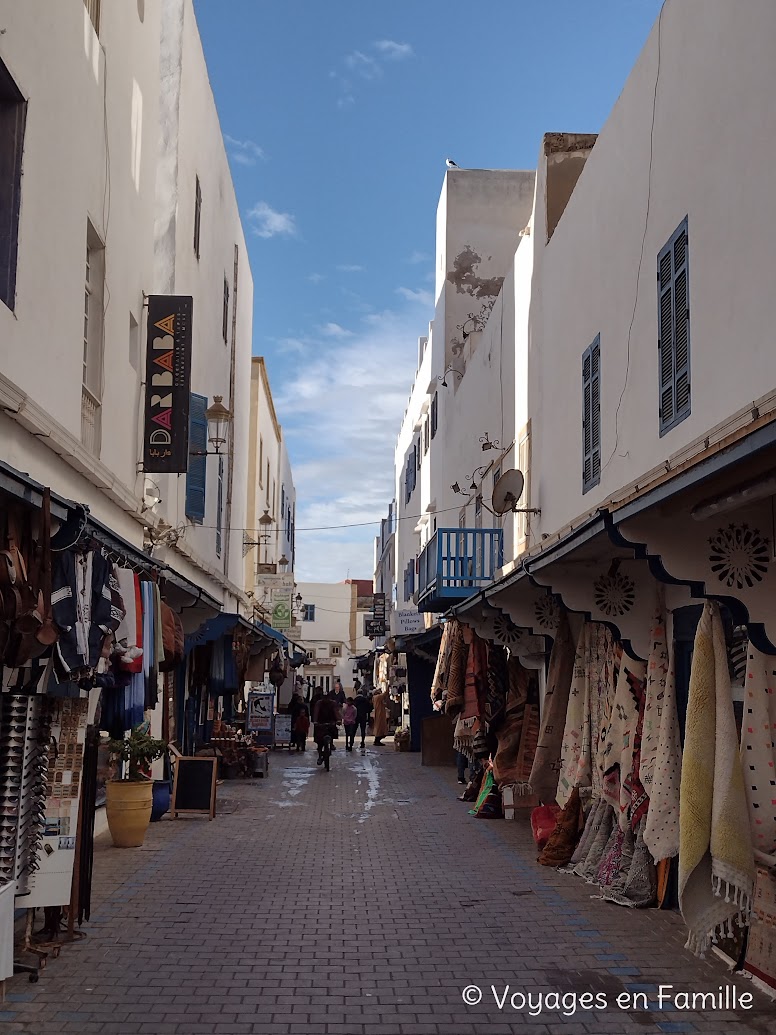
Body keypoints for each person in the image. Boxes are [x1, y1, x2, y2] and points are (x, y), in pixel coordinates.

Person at [312, 690, 339, 765]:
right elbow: (316, 713)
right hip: (320, 723)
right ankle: (320, 755)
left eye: (327, 697)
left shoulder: (333, 703)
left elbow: (336, 712)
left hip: (330, 722)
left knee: (332, 733)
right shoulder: (319, 703)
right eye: (324, 697)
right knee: (319, 740)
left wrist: (338, 720)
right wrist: (315, 721)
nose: (326, 699)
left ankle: (331, 744)